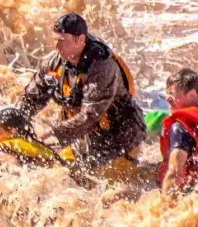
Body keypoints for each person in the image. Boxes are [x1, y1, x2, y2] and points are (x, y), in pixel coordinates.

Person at [18, 12, 145, 172]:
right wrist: (15, 120)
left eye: (62, 41)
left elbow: (91, 114)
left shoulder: (102, 66)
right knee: (60, 171)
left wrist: (53, 133)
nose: (56, 46)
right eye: (55, 40)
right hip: (81, 133)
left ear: (80, 39)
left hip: (119, 134)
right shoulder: (54, 61)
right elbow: (33, 96)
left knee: (106, 187)